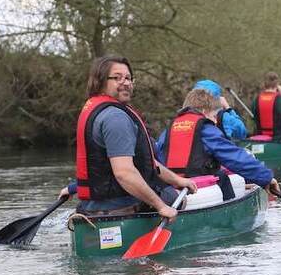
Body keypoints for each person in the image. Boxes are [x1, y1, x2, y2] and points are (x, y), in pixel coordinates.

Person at [58, 56, 197, 220]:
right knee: (174, 198)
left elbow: (144, 163)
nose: (125, 83)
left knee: (170, 189)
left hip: (90, 207)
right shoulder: (116, 117)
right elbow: (124, 173)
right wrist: (161, 206)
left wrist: (177, 180)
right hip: (118, 208)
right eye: (117, 78)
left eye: (128, 78)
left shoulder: (94, 108)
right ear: (100, 81)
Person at [156, 89, 280, 199]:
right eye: (214, 116)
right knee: (221, 176)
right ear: (204, 111)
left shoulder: (170, 128)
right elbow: (235, 157)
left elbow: (157, 158)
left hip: (170, 187)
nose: (215, 121)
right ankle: (233, 215)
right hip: (195, 187)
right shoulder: (205, 129)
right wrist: (266, 177)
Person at [250, 72, 281, 141]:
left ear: (264, 84)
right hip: (279, 139)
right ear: (277, 85)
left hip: (260, 138)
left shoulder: (256, 100)